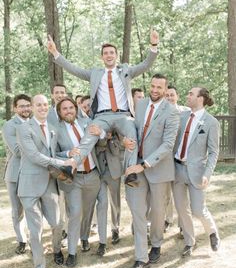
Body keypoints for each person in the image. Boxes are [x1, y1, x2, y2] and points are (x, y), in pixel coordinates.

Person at [47, 30, 159, 183]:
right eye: (105, 53)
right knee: (89, 135)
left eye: (112, 52)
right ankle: (71, 165)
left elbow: (146, 64)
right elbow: (74, 69)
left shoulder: (126, 70)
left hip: (123, 115)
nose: (109, 55)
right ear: (102, 57)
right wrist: (55, 53)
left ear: (116, 55)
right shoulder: (94, 73)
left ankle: (130, 171)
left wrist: (153, 45)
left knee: (132, 135)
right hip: (102, 116)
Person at [125, 73, 180, 268]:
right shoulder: (140, 105)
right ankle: (141, 258)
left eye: (160, 87)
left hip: (158, 169)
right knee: (138, 213)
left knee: (157, 212)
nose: (155, 90)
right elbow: (133, 129)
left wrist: (146, 164)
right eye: (153, 86)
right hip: (135, 168)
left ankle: (156, 244)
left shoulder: (172, 112)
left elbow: (167, 145)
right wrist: (127, 141)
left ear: (166, 90)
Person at [17, 94, 74, 268]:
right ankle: (40, 267)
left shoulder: (53, 128)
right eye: (38, 105)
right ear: (32, 107)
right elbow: (34, 156)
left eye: (45, 105)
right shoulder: (23, 128)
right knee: (36, 230)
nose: (42, 108)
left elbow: (53, 152)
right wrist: (62, 162)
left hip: (50, 183)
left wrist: (68, 154)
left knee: (58, 223)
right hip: (29, 186)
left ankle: (57, 250)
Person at [173, 87, 220, 257]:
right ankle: (189, 242)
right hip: (177, 169)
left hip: (197, 172)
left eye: (191, 94)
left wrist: (207, 173)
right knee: (181, 209)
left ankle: (212, 232)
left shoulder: (211, 122)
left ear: (200, 99)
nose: (188, 96)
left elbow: (214, 152)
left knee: (198, 210)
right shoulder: (182, 116)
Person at [56, 97, 101, 266]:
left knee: (88, 211)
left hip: (92, 175)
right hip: (72, 178)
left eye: (71, 108)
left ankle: (84, 238)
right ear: (60, 113)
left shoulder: (86, 122)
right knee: (75, 213)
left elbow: (99, 139)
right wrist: (67, 153)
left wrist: (101, 133)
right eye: (64, 109)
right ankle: (72, 252)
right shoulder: (56, 130)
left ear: (76, 109)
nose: (68, 111)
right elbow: (52, 153)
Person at [2, 94, 32, 254]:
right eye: (21, 106)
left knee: (33, 209)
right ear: (15, 108)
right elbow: (18, 151)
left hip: (33, 174)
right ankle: (21, 240)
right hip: (15, 174)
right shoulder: (9, 125)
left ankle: (34, 238)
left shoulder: (35, 123)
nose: (25, 108)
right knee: (18, 210)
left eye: (28, 105)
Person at [165, 85, 190, 233]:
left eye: (172, 95)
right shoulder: (161, 113)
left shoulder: (186, 112)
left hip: (181, 160)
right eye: (167, 95)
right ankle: (168, 219)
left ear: (177, 96)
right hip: (167, 159)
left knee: (181, 196)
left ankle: (183, 224)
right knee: (166, 193)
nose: (169, 98)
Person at [94, 131, 123, 256]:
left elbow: (118, 151)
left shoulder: (118, 132)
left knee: (115, 202)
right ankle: (102, 241)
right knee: (102, 204)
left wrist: (110, 140)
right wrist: (102, 139)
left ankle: (115, 228)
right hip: (99, 172)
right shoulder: (96, 131)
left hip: (114, 173)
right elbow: (94, 149)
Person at [47, 84, 68, 243]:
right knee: (58, 200)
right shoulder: (47, 115)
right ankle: (60, 230)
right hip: (53, 162)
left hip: (69, 161)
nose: (60, 94)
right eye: (57, 92)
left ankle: (68, 228)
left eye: (62, 92)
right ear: (52, 95)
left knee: (68, 199)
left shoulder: (71, 111)